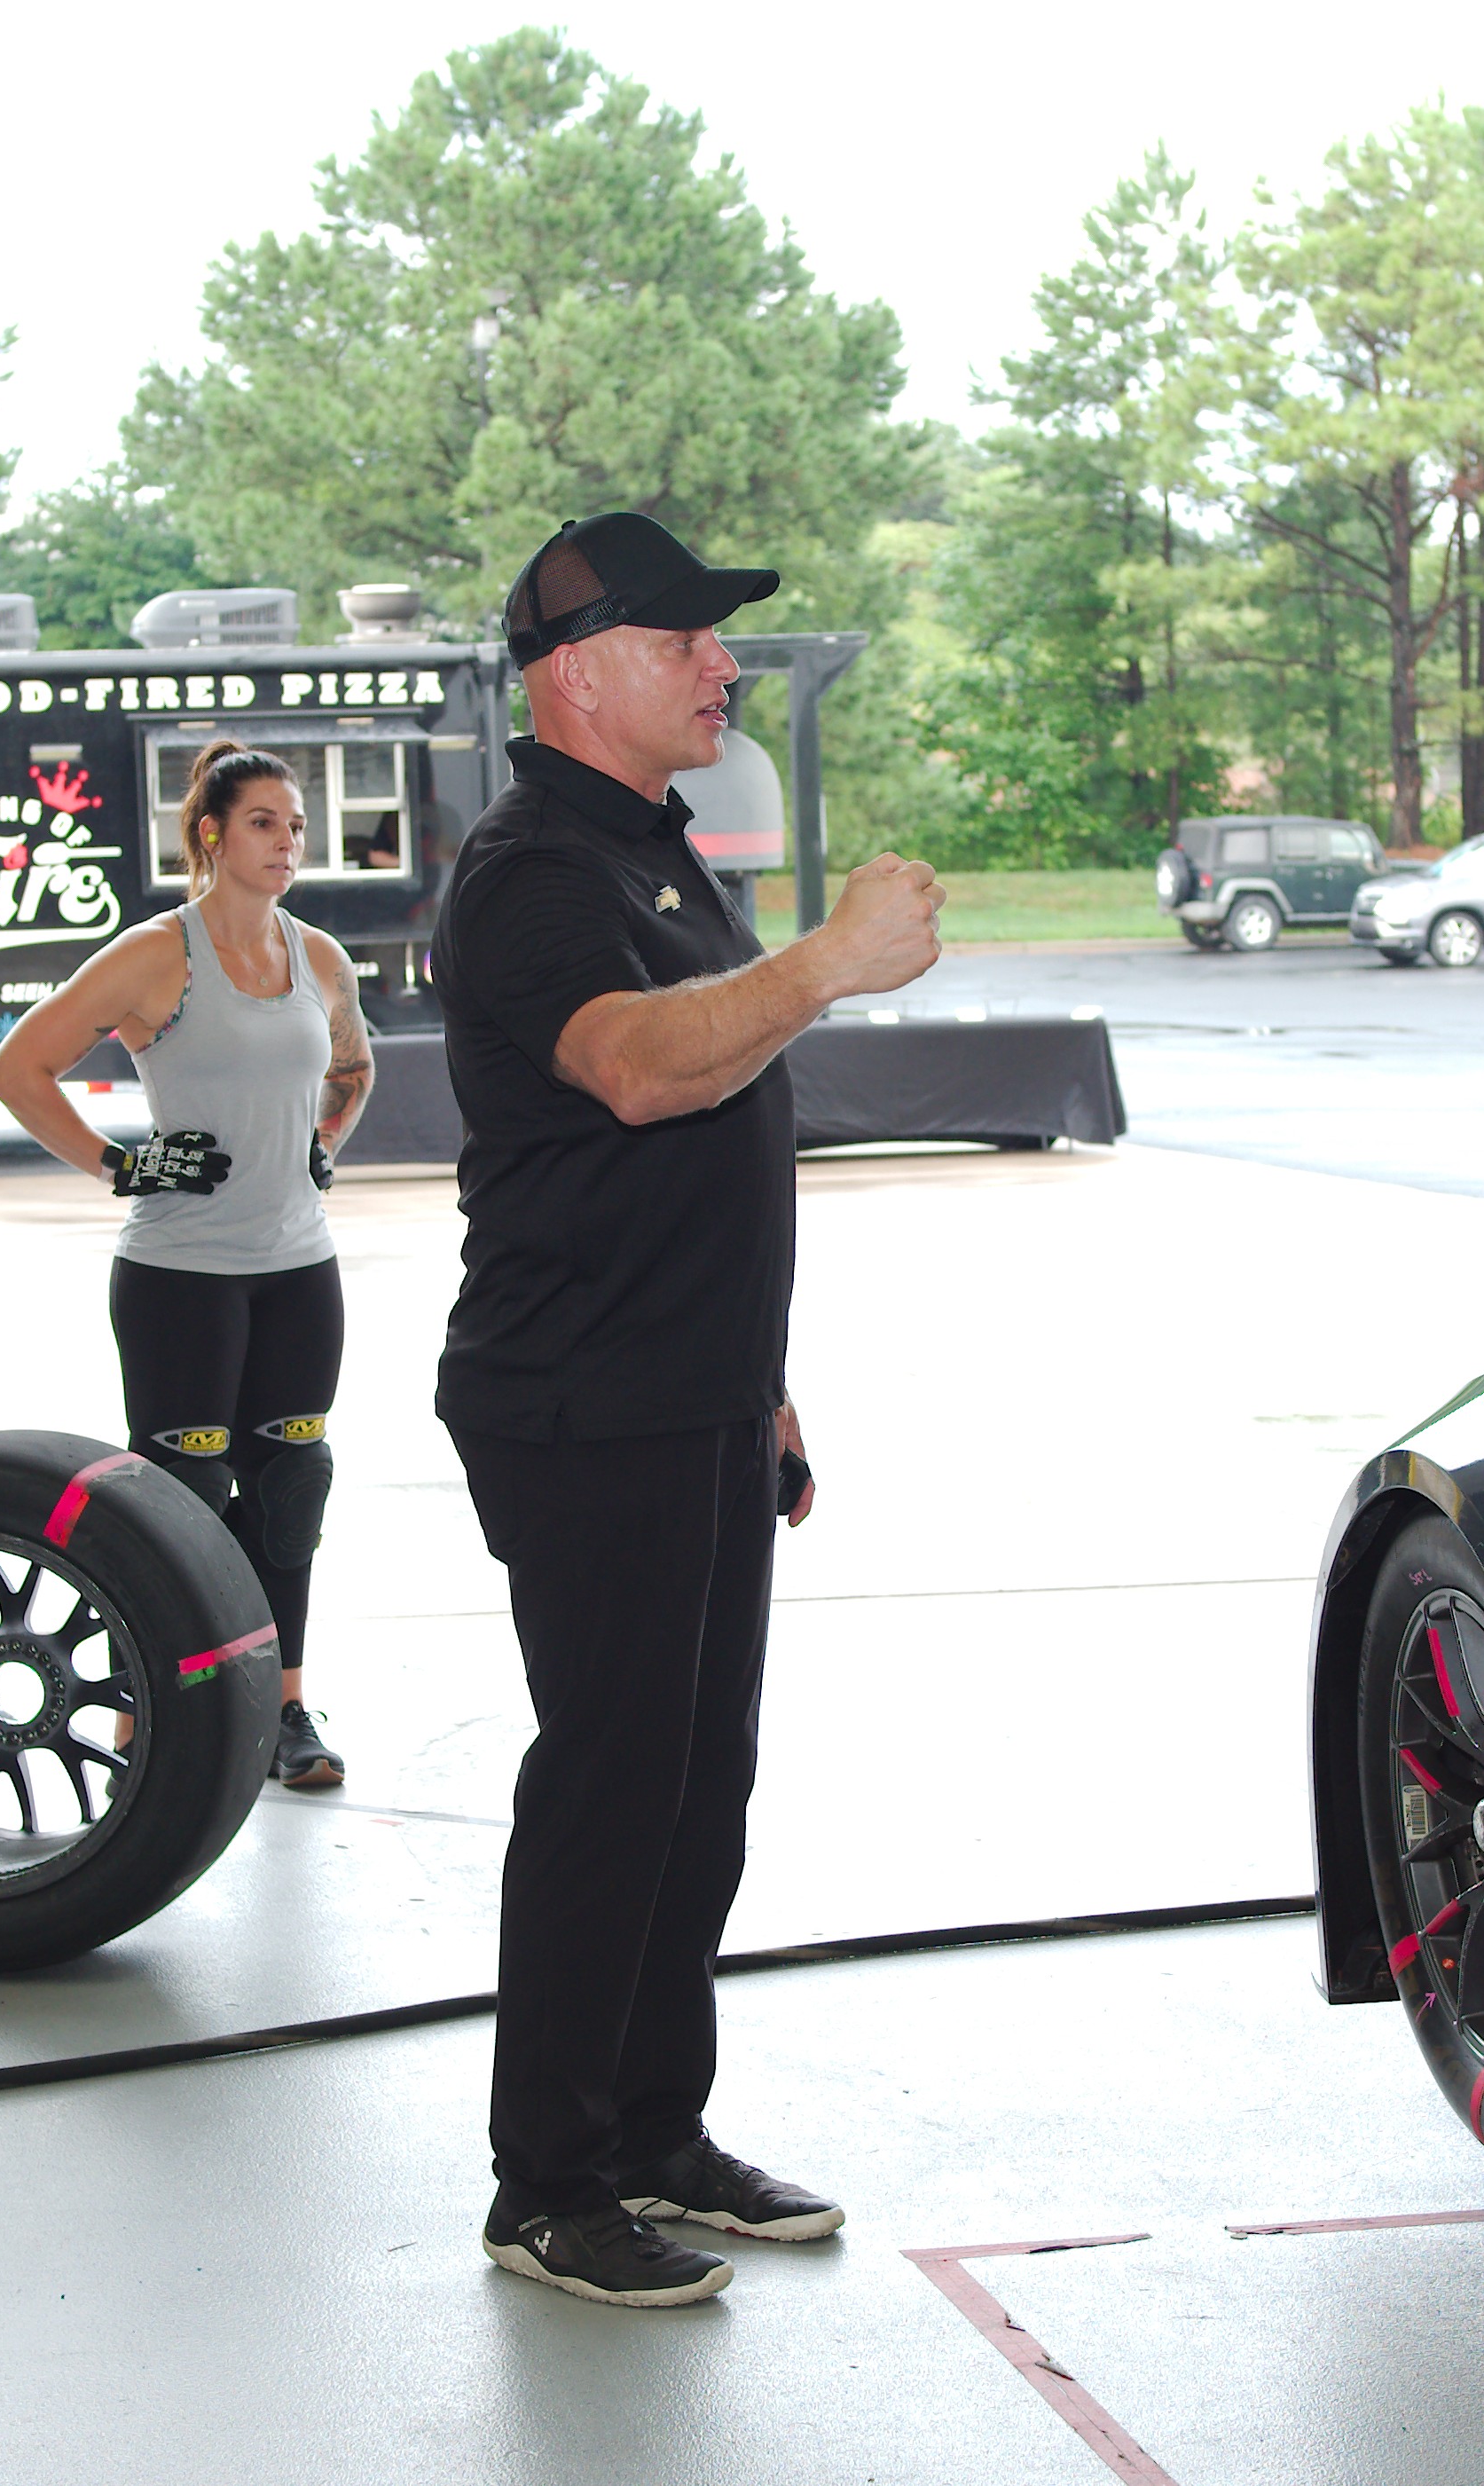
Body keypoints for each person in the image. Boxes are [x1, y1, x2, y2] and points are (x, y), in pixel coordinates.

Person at [431, 512, 946, 2309]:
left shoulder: (649, 852)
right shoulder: (527, 873)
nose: (722, 659)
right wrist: (825, 961)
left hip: (697, 1394)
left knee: (692, 1787)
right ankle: (544, 2184)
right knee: (608, 1786)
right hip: (583, 1406)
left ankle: (652, 2127)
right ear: (580, 669)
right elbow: (639, 1074)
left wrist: (765, 1382)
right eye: (689, 635)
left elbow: (714, 1087)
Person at [0, 739, 374, 1790]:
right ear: (210, 832)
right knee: (179, 1498)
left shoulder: (318, 957)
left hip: (299, 1270)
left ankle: (286, 1710)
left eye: (295, 825)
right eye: (262, 822)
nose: (287, 841)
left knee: (290, 1487)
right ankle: (142, 1704)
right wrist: (119, 1162)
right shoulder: (159, 956)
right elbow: (15, 1068)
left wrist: (321, 1145)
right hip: (178, 1277)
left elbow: (352, 1065)